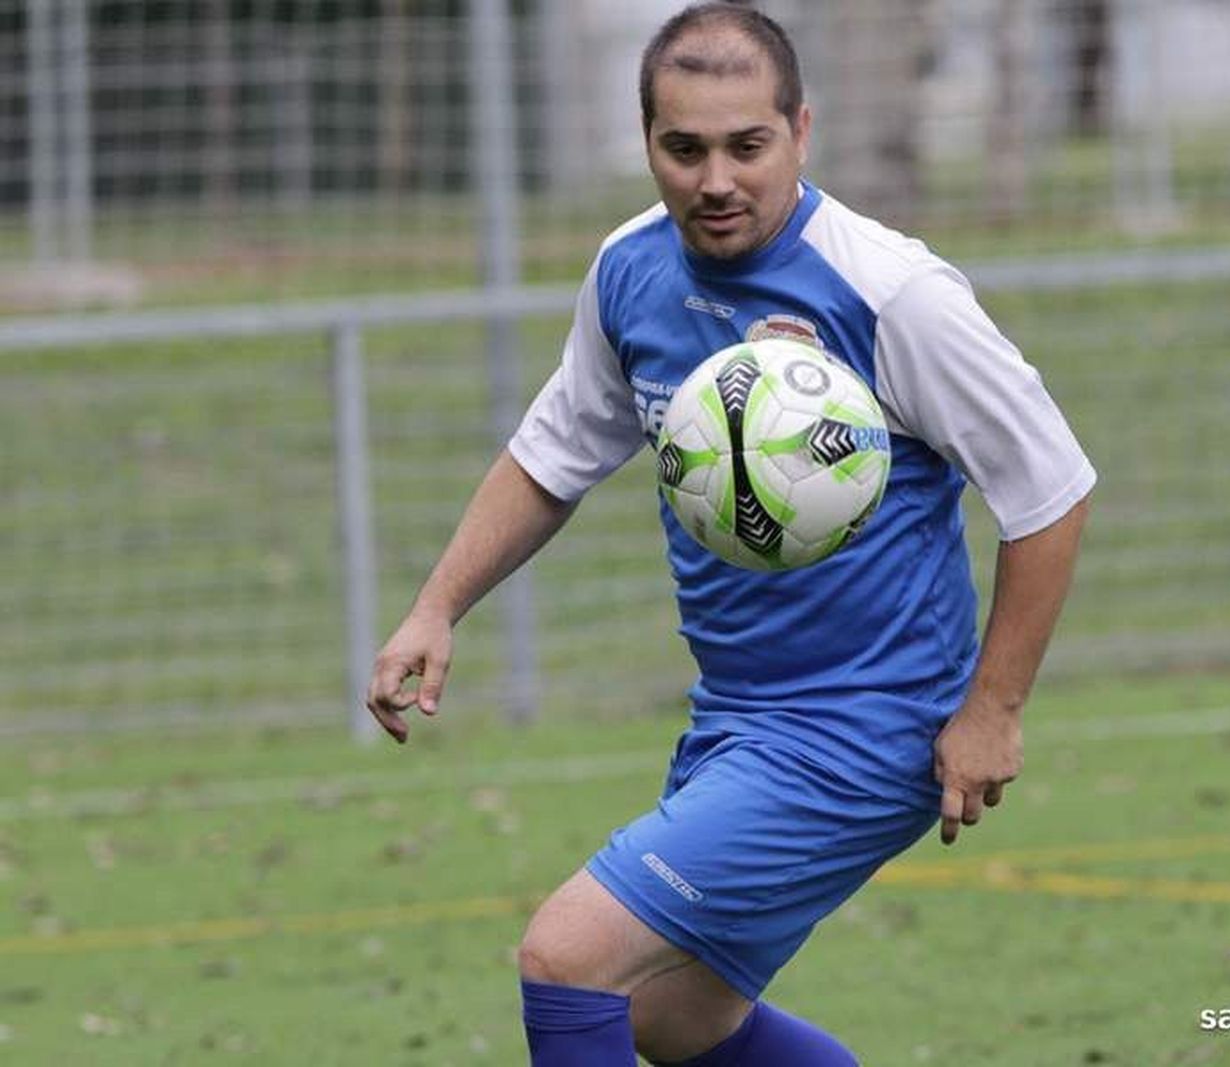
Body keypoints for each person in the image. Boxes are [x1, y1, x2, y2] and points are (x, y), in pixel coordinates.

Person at [365, 4, 1095, 1064]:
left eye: (747, 145)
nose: (716, 179)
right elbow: (552, 452)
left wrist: (993, 708)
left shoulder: (893, 294)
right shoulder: (628, 271)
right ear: (647, 143)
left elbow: (1051, 490)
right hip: (736, 718)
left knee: (568, 956)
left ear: (802, 129)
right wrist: (436, 605)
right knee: (672, 1017)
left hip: (869, 727)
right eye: (685, 148)